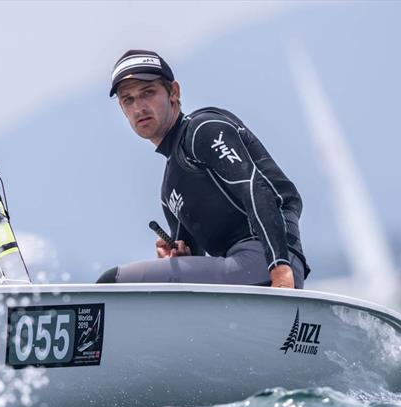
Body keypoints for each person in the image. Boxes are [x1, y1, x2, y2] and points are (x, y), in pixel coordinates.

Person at [97, 50, 309, 288]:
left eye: (148, 93)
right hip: (239, 273)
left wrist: (280, 268)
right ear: (123, 110)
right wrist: (178, 258)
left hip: (268, 262)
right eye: (128, 100)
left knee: (112, 283)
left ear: (173, 92)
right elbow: (198, 264)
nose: (139, 108)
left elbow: (255, 188)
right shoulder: (170, 191)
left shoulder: (203, 130)